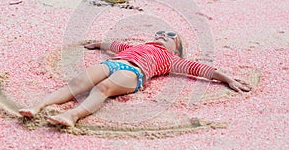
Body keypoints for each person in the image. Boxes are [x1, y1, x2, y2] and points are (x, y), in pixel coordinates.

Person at [19, 30, 252, 127]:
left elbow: (201, 69)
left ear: (177, 49)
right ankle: (38, 105)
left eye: (170, 37)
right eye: (159, 34)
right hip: (112, 63)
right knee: (77, 84)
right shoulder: (136, 45)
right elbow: (114, 45)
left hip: (134, 73)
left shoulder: (171, 60)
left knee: (103, 88)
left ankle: (72, 115)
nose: (162, 37)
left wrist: (228, 78)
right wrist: (97, 44)